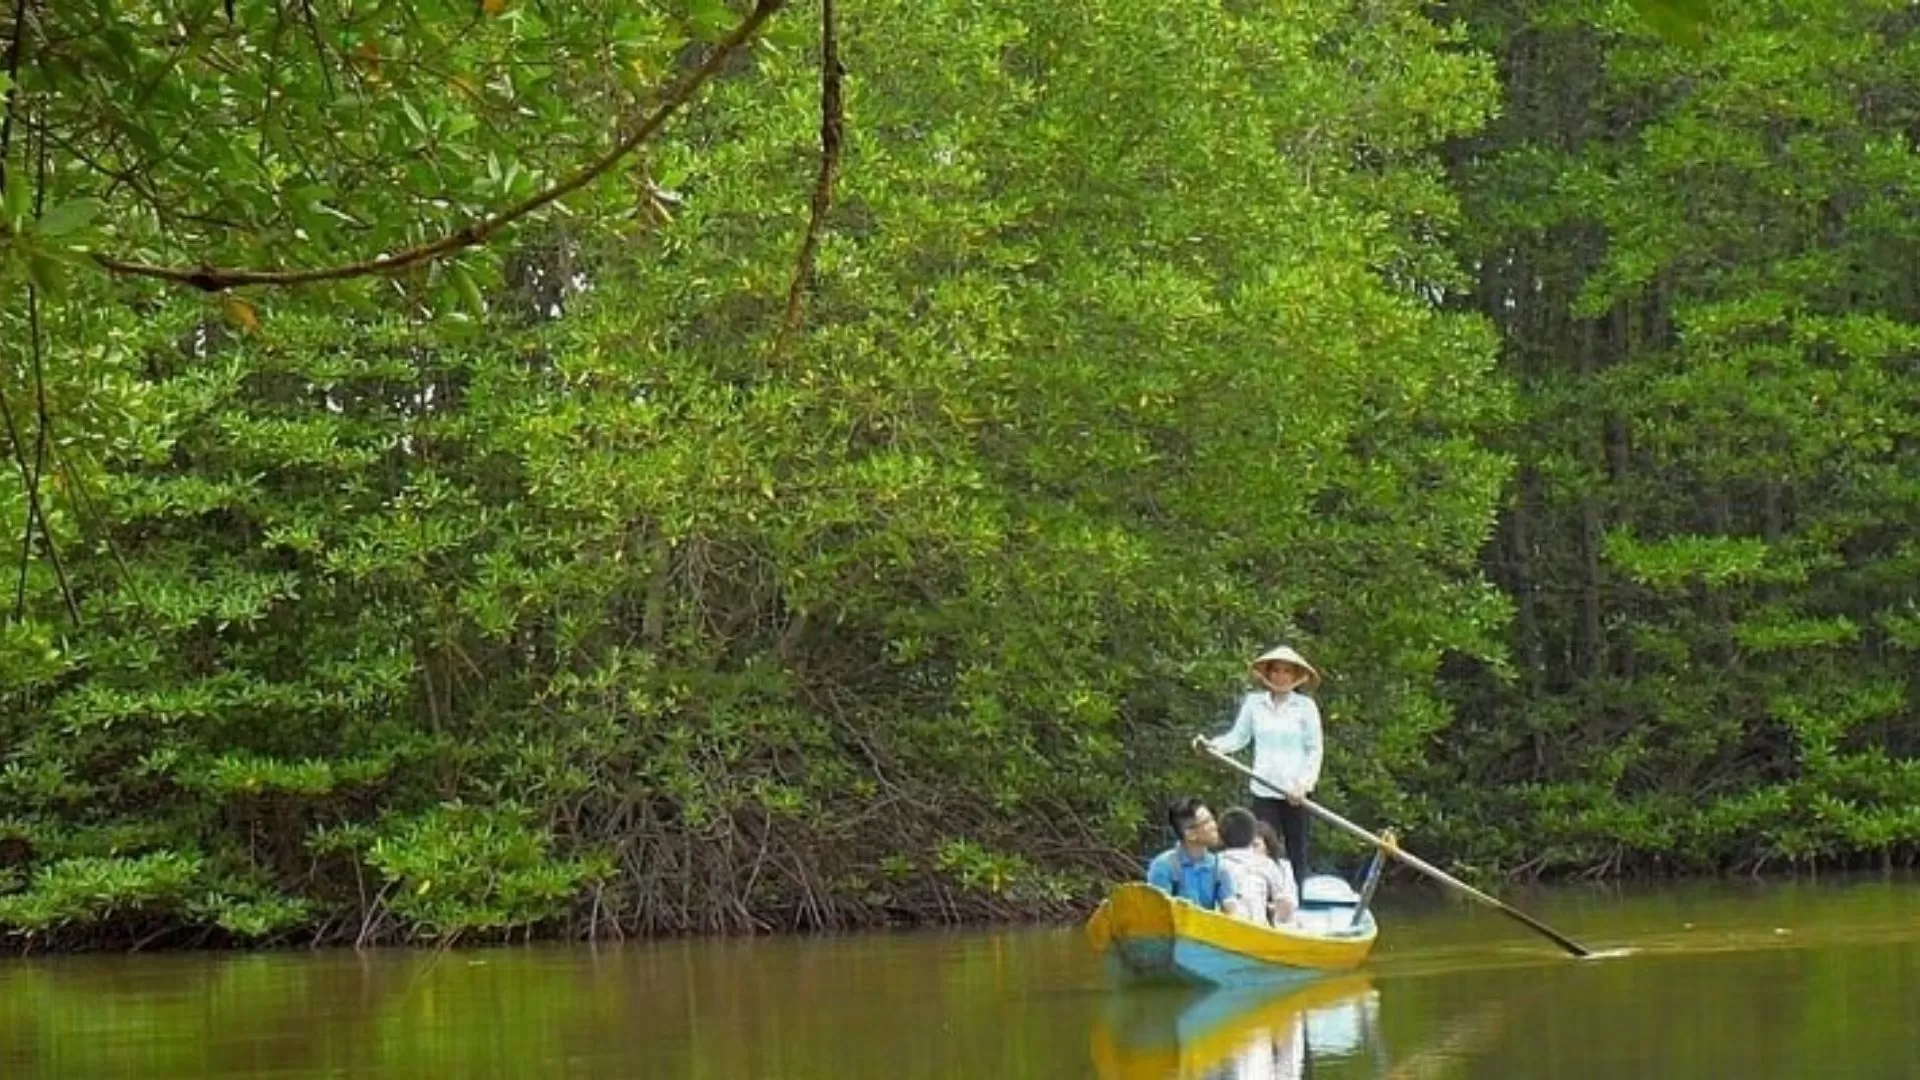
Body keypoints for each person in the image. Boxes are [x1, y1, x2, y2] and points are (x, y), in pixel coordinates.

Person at [1195, 645, 1324, 888]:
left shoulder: (1305, 707)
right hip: (1263, 789)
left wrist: (1304, 785)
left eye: (1287, 671)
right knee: (1263, 847)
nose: (1280, 676)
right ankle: (1265, 900)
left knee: (1297, 849)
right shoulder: (1254, 703)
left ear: (1296, 676)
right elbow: (1238, 737)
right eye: (1276, 671)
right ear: (1268, 674)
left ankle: (1295, 902)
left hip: (1296, 792)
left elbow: (1314, 750)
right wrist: (1211, 746)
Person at [1145, 796, 1240, 915]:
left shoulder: (1219, 867)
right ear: (1190, 834)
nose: (1214, 826)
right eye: (1206, 822)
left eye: (1212, 819)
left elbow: (1231, 911)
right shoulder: (1164, 866)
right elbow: (1157, 913)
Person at [1218, 807, 1299, 928]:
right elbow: (1285, 905)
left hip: (1224, 925)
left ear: (1221, 838)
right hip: (1258, 927)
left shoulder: (1216, 862)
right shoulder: (1267, 864)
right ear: (1252, 836)